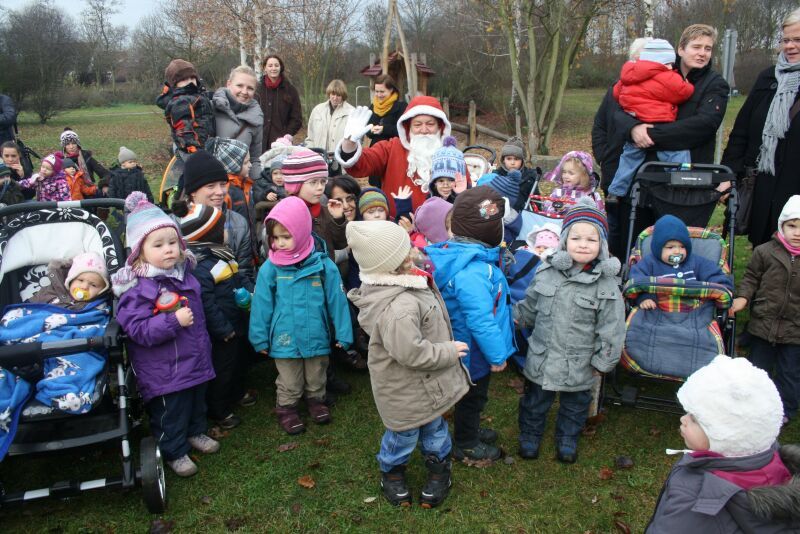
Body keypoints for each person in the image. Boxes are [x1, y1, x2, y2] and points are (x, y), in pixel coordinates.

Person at [346, 220, 470, 508]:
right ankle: (391, 471)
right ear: (391, 264)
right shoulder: (399, 309)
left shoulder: (407, 281)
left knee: (435, 429)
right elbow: (411, 353)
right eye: (406, 249)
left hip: (427, 384)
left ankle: (439, 469)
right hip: (404, 388)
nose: (413, 249)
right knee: (402, 435)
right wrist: (448, 352)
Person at [112, 192, 218, 477]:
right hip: (164, 369)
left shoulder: (184, 276)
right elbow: (138, 330)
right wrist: (173, 322)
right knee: (171, 411)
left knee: (195, 399)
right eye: (158, 245)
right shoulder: (138, 289)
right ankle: (173, 450)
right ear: (139, 252)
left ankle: (195, 431)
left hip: (194, 358)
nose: (168, 249)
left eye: (173, 242)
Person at [514, 199, 625, 462]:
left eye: (591, 239)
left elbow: (612, 328)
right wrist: (515, 319)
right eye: (576, 238)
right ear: (564, 241)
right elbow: (530, 304)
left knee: (575, 405)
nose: (583, 244)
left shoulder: (606, 285)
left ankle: (567, 438)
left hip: (580, 361)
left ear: (602, 245)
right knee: (534, 401)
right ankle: (530, 435)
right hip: (543, 355)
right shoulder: (546, 271)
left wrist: (604, 361)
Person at [646, 355, 800, 532]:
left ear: (727, 434)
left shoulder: (695, 500)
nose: (683, 419)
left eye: (694, 419)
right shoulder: (771, 457)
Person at [612, 24, 729, 254]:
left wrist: (650, 134)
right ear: (681, 49)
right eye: (696, 47)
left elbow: (703, 125)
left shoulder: (715, 84)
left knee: (678, 250)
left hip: (685, 184)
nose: (702, 53)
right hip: (645, 180)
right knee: (638, 248)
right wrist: (633, 129)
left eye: (708, 48)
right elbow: (618, 110)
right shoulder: (655, 70)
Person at [426, 186, 515, 462]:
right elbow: (480, 320)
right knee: (472, 397)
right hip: (473, 351)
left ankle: (470, 429)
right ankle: (466, 442)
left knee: (471, 396)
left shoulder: (463, 258)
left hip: (467, 346)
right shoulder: (473, 271)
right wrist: (497, 355)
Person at [249, 196, 353, 434]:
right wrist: (259, 337)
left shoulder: (323, 265)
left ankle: (316, 400)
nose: (280, 243)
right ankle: (287, 407)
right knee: (290, 378)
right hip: (284, 336)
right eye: (275, 238)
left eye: (286, 237)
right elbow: (262, 304)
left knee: (317, 372)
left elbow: (337, 301)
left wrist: (344, 333)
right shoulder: (271, 268)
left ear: (302, 232)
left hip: (316, 332)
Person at [722, 8, 800, 247]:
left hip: (795, 186)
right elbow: (742, 130)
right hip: (763, 184)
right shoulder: (768, 78)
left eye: (798, 40)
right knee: (764, 249)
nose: (790, 46)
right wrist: (728, 175)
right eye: (785, 40)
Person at [178, 202, 250, 431]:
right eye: (223, 227)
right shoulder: (202, 267)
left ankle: (237, 393)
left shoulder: (224, 256)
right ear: (211, 234)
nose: (227, 230)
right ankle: (219, 410)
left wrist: (252, 292)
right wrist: (222, 329)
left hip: (237, 320)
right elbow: (206, 303)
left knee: (239, 362)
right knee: (223, 369)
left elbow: (239, 277)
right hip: (223, 330)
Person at [731, 195, 800, 424]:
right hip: (764, 321)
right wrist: (743, 297)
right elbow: (751, 277)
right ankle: (752, 404)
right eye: (792, 226)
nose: (797, 233)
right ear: (781, 225)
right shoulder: (765, 251)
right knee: (758, 369)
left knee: (790, 371)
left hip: (795, 327)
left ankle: (785, 409)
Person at [335, 95, 453, 216]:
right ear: (408, 127)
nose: (424, 130)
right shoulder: (391, 148)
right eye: (417, 125)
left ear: (440, 127)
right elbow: (362, 163)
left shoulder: (452, 157)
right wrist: (349, 143)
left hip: (442, 225)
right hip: (396, 225)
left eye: (430, 124)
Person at [608, 39, 695, 198]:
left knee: (628, 160)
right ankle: (683, 183)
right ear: (663, 62)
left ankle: (616, 191)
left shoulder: (629, 74)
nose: (671, 67)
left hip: (635, 120)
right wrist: (688, 84)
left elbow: (616, 93)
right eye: (669, 63)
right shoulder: (667, 76)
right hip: (659, 123)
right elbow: (682, 93)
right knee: (678, 153)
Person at [180, 150, 255, 290]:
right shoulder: (174, 225)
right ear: (193, 191)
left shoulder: (239, 222)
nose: (220, 192)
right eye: (211, 186)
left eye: (222, 184)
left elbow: (244, 271)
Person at [630, 214, 733, 310]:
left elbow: (714, 273)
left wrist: (723, 288)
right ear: (658, 249)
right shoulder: (649, 263)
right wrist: (645, 298)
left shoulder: (695, 262)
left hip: (694, 310)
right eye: (670, 247)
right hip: (657, 309)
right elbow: (637, 280)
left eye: (682, 247)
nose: (677, 251)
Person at [592, 38, 652, 194]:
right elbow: (600, 124)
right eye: (639, 59)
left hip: (648, 177)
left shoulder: (663, 92)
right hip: (613, 170)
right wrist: (603, 156)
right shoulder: (616, 89)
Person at [155, 59, 216, 158]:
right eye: (184, 79)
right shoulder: (181, 102)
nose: (190, 82)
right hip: (194, 151)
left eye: (192, 77)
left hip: (206, 144)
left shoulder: (196, 95)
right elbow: (183, 130)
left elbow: (206, 97)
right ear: (175, 84)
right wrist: (194, 150)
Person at [213, 65, 264, 180]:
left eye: (250, 88)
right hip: (211, 182)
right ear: (229, 84)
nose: (244, 92)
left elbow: (254, 159)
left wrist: (259, 184)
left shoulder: (256, 119)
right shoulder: (211, 108)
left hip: (238, 184)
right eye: (240, 85)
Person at [30, 251, 109, 310]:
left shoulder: (98, 306)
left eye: (93, 285)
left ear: (102, 290)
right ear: (71, 280)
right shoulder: (49, 291)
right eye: (81, 280)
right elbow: (28, 307)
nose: (84, 287)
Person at [306, 79, 355, 170]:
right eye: (333, 94)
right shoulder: (317, 110)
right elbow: (310, 137)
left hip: (342, 163)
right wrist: (312, 154)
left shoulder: (352, 112)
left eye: (338, 95)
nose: (335, 98)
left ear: (343, 96)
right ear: (329, 94)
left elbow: (355, 141)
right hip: (318, 162)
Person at [257, 54, 302, 150]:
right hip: (259, 142)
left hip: (282, 143)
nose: (273, 68)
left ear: (280, 67)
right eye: (270, 66)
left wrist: (287, 135)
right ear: (265, 68)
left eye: (276, 65)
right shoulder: (257, 89)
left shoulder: (290, 90)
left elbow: (296, 118)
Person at [495, 137, 538, 212]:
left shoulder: (530, 176)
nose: (512, 163)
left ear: (522, 160)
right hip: (500, 213)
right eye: (509, 159)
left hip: (523, 213)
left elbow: (536, 201)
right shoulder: (496, 175)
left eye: (516, 159)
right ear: (503, 160)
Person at [366, 74, 407, 149]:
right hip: (375, 150)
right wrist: (371, 130)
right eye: (376, 91)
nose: (379, 95)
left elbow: (404, 130)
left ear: (391, 90)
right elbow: (367, 132)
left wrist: (384, 129)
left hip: (394, 149)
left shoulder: (401, 107)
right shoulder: (372, 107)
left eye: (382, 92)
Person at [428, 136, 464, 204]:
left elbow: (478, 209)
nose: (445, 185)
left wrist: (460, 195)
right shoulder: (429, 201)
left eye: (451, 180)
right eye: (441, 181)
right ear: (434, 183)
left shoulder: (465, 198)